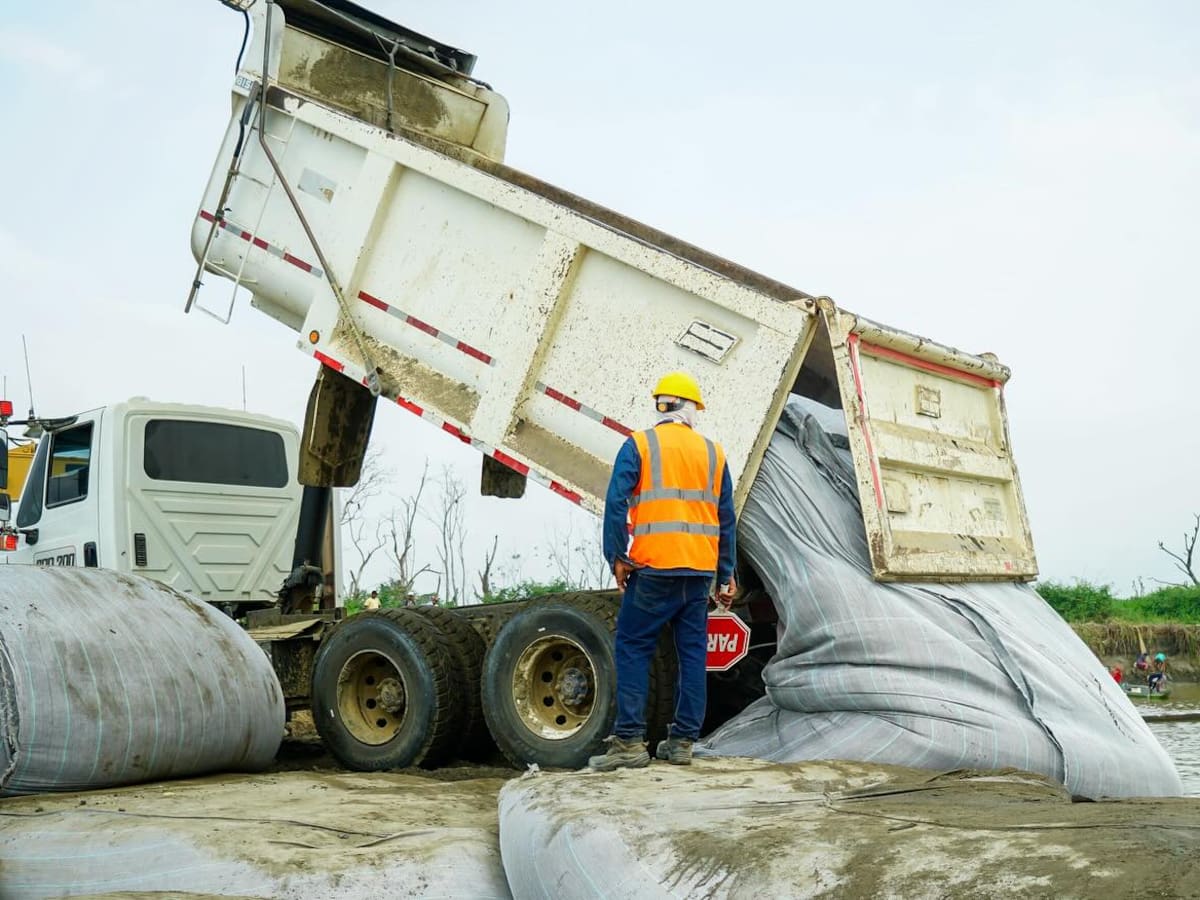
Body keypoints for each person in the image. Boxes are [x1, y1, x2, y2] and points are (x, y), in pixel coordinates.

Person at [588, 371, 736, 771]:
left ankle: (630, 743)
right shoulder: (714, 453)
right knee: (692, 655)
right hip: (699, 572)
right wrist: (726, 574)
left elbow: (617, 501)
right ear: (691, 410)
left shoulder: (639, 444)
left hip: (654, 568)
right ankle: (682, 742)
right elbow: (727, 519)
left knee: (634, 647)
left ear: (661, 406)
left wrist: (616, 555)